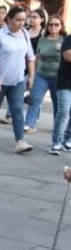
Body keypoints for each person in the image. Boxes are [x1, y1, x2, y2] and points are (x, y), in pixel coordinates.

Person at [0, 6, 35, 154]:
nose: (21, 23)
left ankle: (20, 141)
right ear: (9, 19)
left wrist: (31, 76)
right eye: (18, 20)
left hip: (17, 80)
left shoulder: (25, 34)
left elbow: (30, 57)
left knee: (17, 109)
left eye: (23, 20)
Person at [27, 16, 65, 152]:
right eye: (51, 25)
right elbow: (37, 56)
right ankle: (30, 123)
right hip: (41, 74)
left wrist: (61, 49)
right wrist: (33, 73)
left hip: (58, 76)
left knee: (58, 104)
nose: (53, 27)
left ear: (61, 26)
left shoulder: (64, 40)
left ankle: (57, 127)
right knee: (35, 99)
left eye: (56, 25)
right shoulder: (42, 39)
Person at [53, 23, 71, 154]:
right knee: (63, 111)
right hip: (65, 81)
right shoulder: (69, 39)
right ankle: (56, 142)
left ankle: (67, 140)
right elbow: (67, 56)